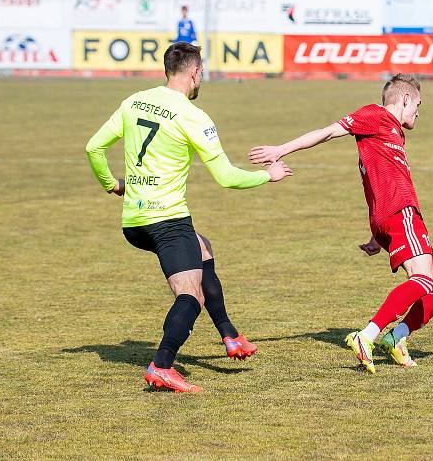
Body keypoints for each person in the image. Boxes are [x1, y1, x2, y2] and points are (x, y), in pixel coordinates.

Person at [85, 42, 292, 392]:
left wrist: (112, 184)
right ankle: (162, 365)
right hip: (167, 221)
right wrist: (267, 176)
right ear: (195, 72)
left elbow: (94, 147)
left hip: (134, 222)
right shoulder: (194, 116)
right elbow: (227, 177)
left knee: (203, 249)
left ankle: (230, 336)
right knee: (190, 296)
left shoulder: (133, 101)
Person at [249, 74, 433, 374]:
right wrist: (281, 149)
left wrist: (376, 233)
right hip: (401, 214)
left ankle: (396, 337)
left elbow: (378, 182)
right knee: (422, 280)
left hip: (392, 217)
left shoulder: (394, 133)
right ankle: (366, 336)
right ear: (406, 99)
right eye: (418, 104)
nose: (419, 111)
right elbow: (327, 132)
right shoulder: (375, 115)